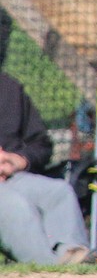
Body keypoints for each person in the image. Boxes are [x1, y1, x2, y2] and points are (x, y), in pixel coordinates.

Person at [0, 72, 91, 265]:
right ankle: (50, 270)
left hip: (11, 177)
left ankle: (72, 257)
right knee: (14, 206)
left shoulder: (9, 87)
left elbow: (41, 144)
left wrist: (20, 160)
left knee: (59, 192)